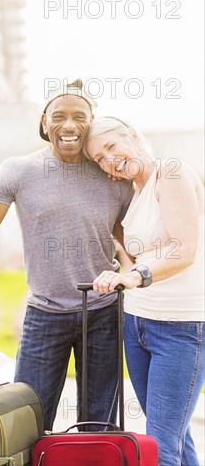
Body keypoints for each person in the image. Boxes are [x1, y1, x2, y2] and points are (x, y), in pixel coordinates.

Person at [0, 81, 134, 430]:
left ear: (90, 123)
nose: (69, 125)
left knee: (98, 426)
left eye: (79, 117)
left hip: (104, 312)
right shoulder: (19, 170)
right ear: (44, 122)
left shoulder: (114, 178)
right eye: (59, 117)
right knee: (27, 421)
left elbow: (134, 245)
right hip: (44, 314)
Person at [85, 116, 205, 466]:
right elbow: (141, 256)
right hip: (138, 323)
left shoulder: (170, 172)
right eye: (100, 159)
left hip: (181, 326)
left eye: (111, 147)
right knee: (174, 438)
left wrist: (133, 276)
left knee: (159, 444)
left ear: (133, 135)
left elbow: (183, 250)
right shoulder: (135, 195)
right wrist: (122, 274)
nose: (109, 160)